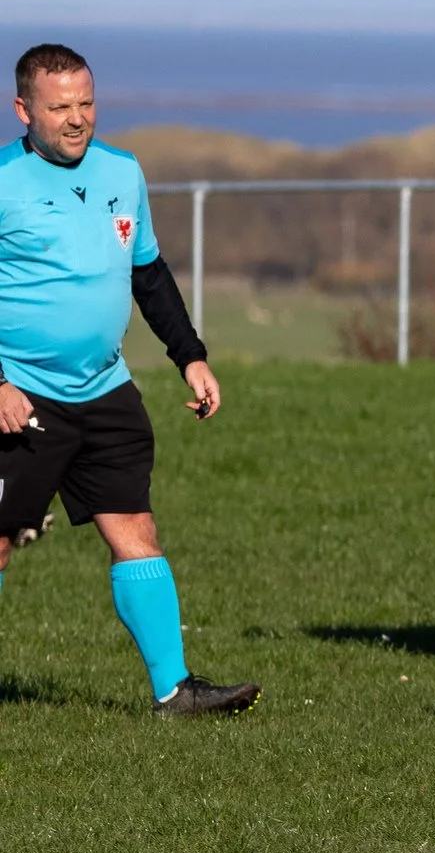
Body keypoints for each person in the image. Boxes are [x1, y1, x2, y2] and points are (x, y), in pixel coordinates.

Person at [0, 43, 256, 714]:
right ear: (23, 109)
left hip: (105, 391)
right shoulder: (2, 180)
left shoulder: (123, 172)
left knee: (134, 527)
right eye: (59, 107)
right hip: (21, 393)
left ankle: (175, 690)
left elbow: (148, 273)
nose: (77, 118)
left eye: (86, 102)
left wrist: (190, 355)